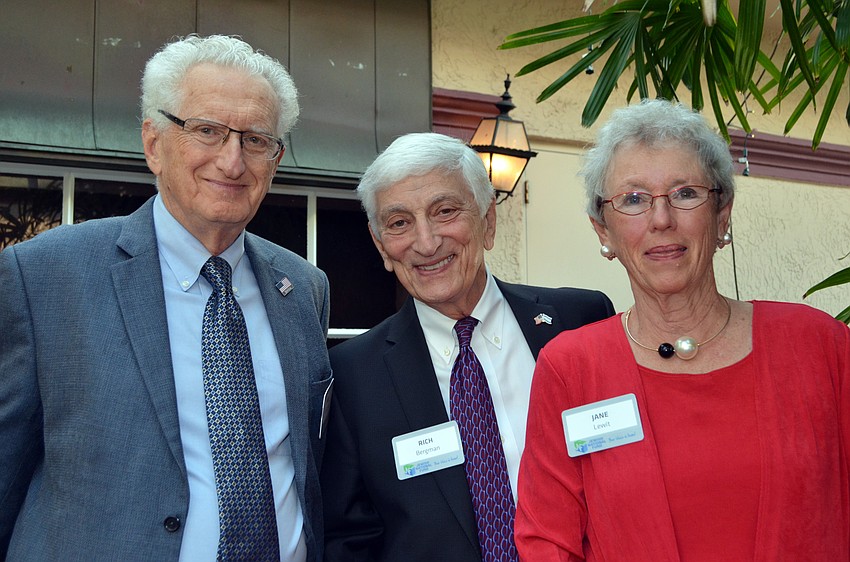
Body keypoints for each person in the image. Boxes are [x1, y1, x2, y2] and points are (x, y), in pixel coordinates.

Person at [0, 35, 333, 561]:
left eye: (254, 140)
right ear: (154, 143)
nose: (231, 161)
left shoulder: (304, 287)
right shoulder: (43, 275)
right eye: (207, 131)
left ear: (276, 159)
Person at [515, 99, 850, 560]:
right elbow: (548, 543)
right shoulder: (572, 367)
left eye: (685, 193)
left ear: (722, 215)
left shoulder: (818, 345)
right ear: (603, 231)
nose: (661, 220)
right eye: (633, 199)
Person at [320, 132, 614, 561]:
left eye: (445, 212)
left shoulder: (580, 322)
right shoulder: (352, 375)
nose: (426, 242)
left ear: (488, 221)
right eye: (400, 222)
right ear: (381, 245)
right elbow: (348, 538)